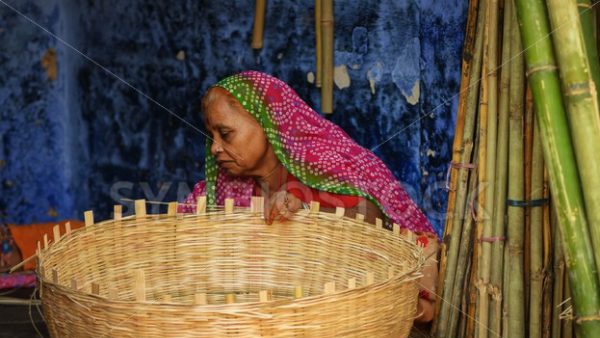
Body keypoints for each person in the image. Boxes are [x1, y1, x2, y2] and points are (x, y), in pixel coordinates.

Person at [179, 71, 439, 323]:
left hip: (338, 317)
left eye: (225, 134)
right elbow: (182, 245)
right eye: (211, 136)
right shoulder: (217, 193)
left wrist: (304, 210)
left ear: (267, 122)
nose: (215, 147)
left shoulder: (323, 166)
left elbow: (375, 220)